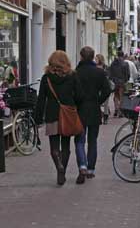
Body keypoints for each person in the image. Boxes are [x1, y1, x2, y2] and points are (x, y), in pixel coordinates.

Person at [34, 51, 80, 186]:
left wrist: (37, 119)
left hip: (52, 114)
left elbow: (41, 99)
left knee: (54, 146)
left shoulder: (46, 78)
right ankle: (63, 171)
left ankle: (58, 166)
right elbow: (79, 95)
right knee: (66, 145)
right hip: (67, 114)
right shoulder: (72, 76)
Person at [73, 47, 112, 183]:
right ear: (93, 57)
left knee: (79, 140)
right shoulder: (99, 73)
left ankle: (82, 165)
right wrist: (98, 101)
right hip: (94, 109)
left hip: (80, 110)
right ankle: (90, 169)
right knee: (92, 141)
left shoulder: (76, 73)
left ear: (81, 57)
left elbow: (73, 93)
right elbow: (107, 90)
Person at [108, 51, 129, 118]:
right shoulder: (125, 63)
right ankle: (120, 111)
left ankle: (116, 109)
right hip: (121, 82)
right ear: (123, 56)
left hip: (115, 82)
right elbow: (127, 74)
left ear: (117, 55)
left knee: (115, 96)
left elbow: (110, 73)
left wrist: (112, 80)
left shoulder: (113, 63)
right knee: (121, 97)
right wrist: (125, 80)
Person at [95, 54, 111, 125]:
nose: (95, 60)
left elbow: (108, 76)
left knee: (106, 103)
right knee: (99, 102)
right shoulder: (94, 67)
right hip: (97, 87)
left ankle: (105, 117)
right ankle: (101, 116)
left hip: (104, 87)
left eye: (96, 59)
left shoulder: (106, 67)